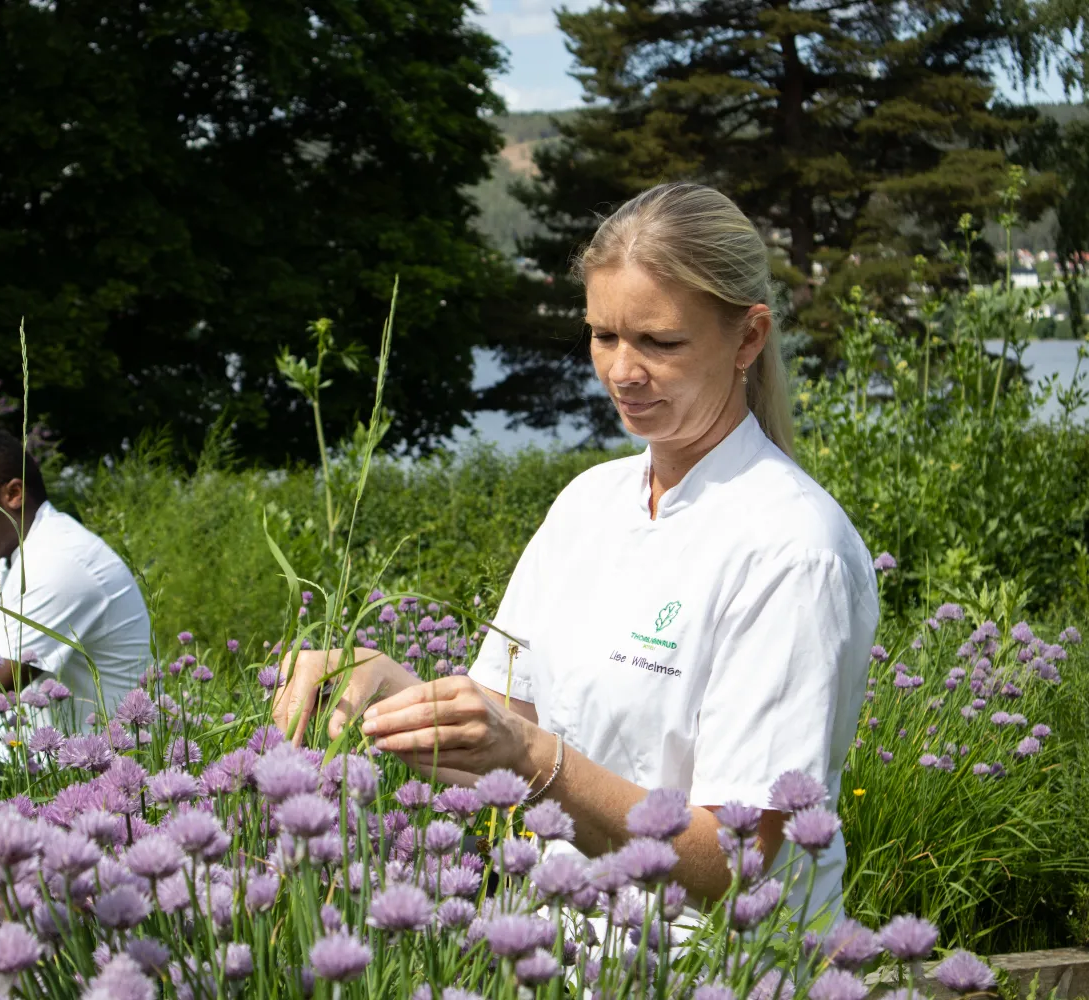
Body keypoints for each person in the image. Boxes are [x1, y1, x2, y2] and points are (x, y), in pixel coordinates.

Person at [274, 182, 879, 925]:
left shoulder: (792, 550)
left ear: (748, 339)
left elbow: (736, 859)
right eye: (604, 336)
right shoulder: (588, 504)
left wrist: (536, 762)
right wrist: (386, 688)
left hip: (714, 971)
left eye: (659, 342)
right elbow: (502, 721)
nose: (623, 371)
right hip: (554, 953)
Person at [0, 426, 151, 730]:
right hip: (35, 759)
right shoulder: (9, 563)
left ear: (13, 493)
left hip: (101, 765)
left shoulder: (60, 561)